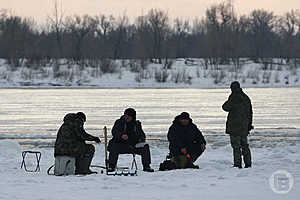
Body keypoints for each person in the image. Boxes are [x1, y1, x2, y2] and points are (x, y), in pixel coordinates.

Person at [107, 108, 154, 172]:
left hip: (133, 145)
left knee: (145, 146)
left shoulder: (137, 124)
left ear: (133, 117)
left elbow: (142, 135)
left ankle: (147, 166)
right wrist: (121, 136)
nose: (127, 117)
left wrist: (141, 139)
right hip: (120, 145)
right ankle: (111, 166)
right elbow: (114, 132)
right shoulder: (119, 122)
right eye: (126, 115)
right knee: (114, 146)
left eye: (129, 116)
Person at [222, 81, 253, 168]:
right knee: (245, 146)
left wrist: (230, 100)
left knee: (236, 147)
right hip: (244, 127)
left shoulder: (233, 98)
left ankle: (237, 164)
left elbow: (225, 107)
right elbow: (250, 113)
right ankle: (248, 164)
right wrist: (249, 125)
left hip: (234, 127)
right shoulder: (246, 98)